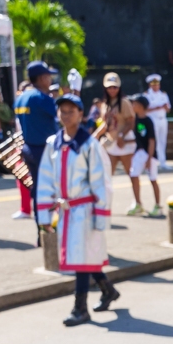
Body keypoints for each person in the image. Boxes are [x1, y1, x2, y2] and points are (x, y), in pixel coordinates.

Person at [36, 92, 118, 325]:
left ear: (81, 114)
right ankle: (107, 290)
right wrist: (44, 213)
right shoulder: (54, 143)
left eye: (71, 110)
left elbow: (101, 183)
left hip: (85, 210)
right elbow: (45, 179)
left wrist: (101, 215)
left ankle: (80, 307)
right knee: (82, 254)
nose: (66, 115)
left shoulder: (89, 145)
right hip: (66, 211)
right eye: (62, 110)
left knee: (82, 257)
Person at [14, 62, 58, 215]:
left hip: (29, 148)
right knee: (51, 190)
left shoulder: (21, 98)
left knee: (38, 189)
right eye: (48, 76)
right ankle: (49, 232)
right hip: (45, 150)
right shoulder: (42, 98)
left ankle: (42, 232)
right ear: (41, 78)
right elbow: (64, 115)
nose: (50, 80)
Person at [93, 72, 136, 186]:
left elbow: (131, 122)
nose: (112, 90)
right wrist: (96, 135)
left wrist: (122, 135)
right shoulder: (104, 104)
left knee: (131, 173)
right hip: (110, 142)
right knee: (107, 174)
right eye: (109, 87)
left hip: (123, 142)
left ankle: (138, 202)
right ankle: (106, 202)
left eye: (115, 87)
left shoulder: (124, 102)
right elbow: (106, 124)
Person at [127, 94, 164, 217]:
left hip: (149, 154)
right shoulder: (135, 120)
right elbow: (137, 138)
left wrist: (149, 158)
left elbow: (151, 141)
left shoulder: (148, 121)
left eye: (135, 104)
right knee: (133, 175)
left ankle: (158, 205)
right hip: (139, 152)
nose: (133, 106)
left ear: (142, 106)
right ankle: (138, 204)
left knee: (153, 179)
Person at [143, 73, 171, 169]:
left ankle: (163, 162)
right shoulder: (146, 95)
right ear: (150, 85)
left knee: (163, 141)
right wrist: (157, 107)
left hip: (163, 119)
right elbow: (145, 109)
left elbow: (168, 108)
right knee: (154, 141)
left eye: (157, 84)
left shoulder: (163, 94)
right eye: (154, 84)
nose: (156, 86)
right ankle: (153, 161)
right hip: (152, 120)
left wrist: (165, 108)